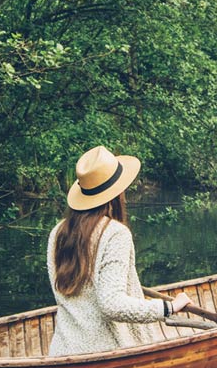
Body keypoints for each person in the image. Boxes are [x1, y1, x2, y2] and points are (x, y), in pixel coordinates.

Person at [46, 146, 191, 356]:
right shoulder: (114, 234)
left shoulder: (58, 232)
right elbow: (112, 304)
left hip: (62, 351)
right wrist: (168, 308)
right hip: (104, 354)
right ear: (118, 193)